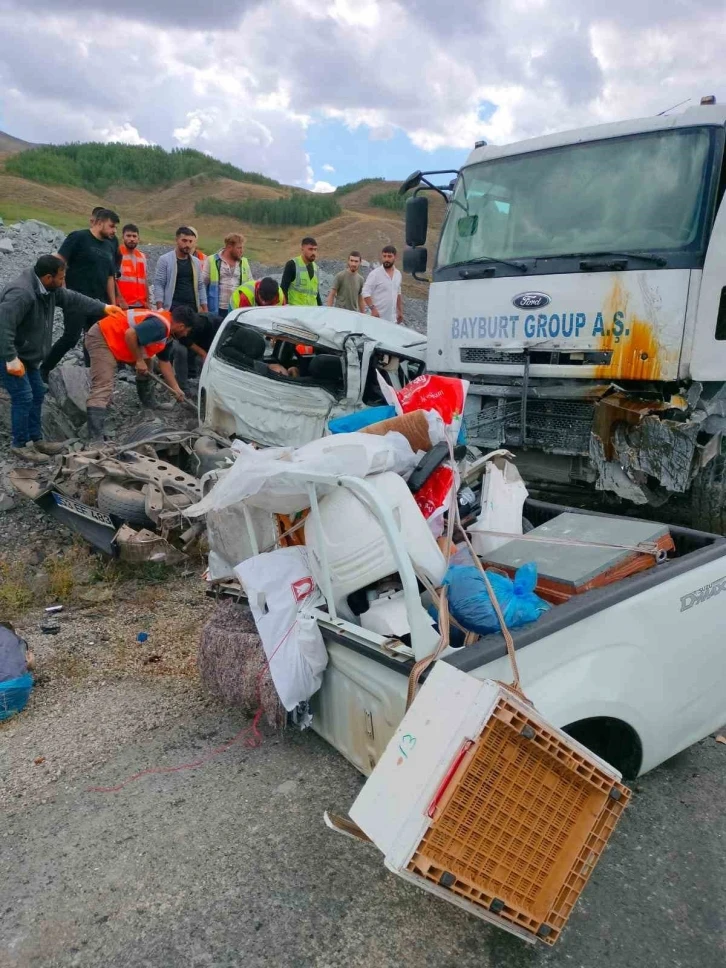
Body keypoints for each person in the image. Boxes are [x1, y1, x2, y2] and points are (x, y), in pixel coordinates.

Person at [0, 255, 120, 462]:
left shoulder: (49, 290)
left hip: (26, 356)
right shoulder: (22, 293)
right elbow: (3, 326)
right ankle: (20, 445)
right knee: (23, 396)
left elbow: (74, 298)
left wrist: (103, 308)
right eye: (61, 278)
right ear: (48, 277)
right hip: (7, 353)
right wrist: (10, 358)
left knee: (38, 392)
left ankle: (36, 440)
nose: (63, 281)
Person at [84, 306, 195, 440]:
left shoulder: (167, 333)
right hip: (103, 337)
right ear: (181, 326)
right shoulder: (159, 326)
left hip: (118, 338)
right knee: (103, 385)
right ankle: (95, 438)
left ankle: (149, 403)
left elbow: (164, 362)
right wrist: (139, 360)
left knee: (147, 366)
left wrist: (176, 389)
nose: (185, 334)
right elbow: (130, 334)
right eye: (187, 331)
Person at [41, 208, 120, 380]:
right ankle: (44, 370)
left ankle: (91, 374)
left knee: (94, 339)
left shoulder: (110, 245)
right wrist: (63, 290)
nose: (114, 231)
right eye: (111, 226)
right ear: (99, 222)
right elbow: (59, 260)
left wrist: (112, 303)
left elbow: (110, 276)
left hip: (99, 302)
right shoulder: (78, 237)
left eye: (116, 227)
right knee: (71, 337)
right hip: (75, 299)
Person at [153, 226, 208, 314]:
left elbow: (200, 285)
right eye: (184, 240)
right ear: (177, 240)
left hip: (192, 308)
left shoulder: (196, 262)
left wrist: (205, 309)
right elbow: (159, 284)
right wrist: (160, 309)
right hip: (173, 308)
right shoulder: (165, 260)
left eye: (190, 241)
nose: (188, 245)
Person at [203, 233, 252, 315]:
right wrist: (203, 306)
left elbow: (250, 285)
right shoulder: (212, 260)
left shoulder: (244, 262)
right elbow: (202, 284)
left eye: (242, 247)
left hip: (237, 309)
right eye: (239, 248)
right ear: (229, 247)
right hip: (216, 309)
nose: (242, 251)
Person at [362, 245, 403, 323]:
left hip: (392, 319)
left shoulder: (398, 274)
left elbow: (398, 293)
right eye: (384, 256)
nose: (386, 259)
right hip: (376, 319)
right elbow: (365, 292)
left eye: (389, 256)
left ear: (395, 257)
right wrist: (373, 309)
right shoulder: (375, 274)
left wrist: (400, 311)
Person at [117, 223, 150, 309]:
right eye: (128, 236)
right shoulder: (117, 254)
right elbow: (112, 280)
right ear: (123, 237)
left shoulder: (142, 257)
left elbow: (145, 280)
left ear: (138, 239)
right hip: (124, 304)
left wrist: (148, 301)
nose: (132, 239)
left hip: (141, 304)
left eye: (134, 236)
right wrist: (120, 300)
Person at [281, 237, 321, 306]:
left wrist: (321, 309)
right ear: (302, 248)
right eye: (310, 249)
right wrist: (286, 308)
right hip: (296, 310)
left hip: (312, 311)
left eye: (315, 249)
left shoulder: (316, 268)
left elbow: (316, 294)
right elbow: (283, 289)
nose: (313, 252)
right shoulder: (292, 264)